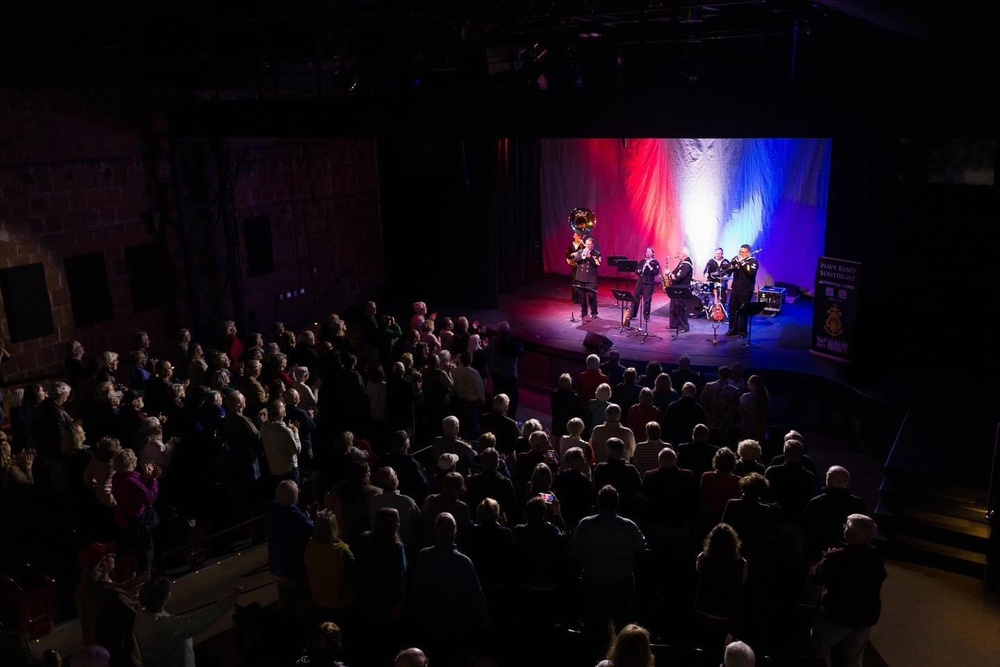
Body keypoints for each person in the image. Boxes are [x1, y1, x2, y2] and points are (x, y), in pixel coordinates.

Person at [810, 514, 887, 667]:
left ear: (851, 534)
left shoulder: (836, 557)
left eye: (846, 526)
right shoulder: (876, 557)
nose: (844, 528)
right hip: (865, 617)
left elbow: (815, 576)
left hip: (837, 616)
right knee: (853, 658)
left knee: (820, 646)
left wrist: (825, 558)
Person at [133, 576, 240, 667]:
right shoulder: (166, 625)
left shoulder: (140, 616)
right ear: (165, 598)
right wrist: (230, 600)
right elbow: (201, 620)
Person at [725, 244, 760, 338]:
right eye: (740, 252)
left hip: (746, 290)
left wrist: (742, 263)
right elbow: (728, 271)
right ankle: (732, 330)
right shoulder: (736, 258)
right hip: (735, 288)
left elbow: (750, 273)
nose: (741, 254)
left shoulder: (753, 261)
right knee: (732, 310)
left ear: (748, 253)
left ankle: (742, 332)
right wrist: (732, 265)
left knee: (743, 311)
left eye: (743, 252)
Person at [664, 246, 694, 332]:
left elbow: (678, 277)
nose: (678, 255)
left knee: (681, 307)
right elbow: (674, 272)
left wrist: (669, 275)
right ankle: (674, 324)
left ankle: (683, 326)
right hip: (676, 288)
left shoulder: (686, 265)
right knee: (674, 306)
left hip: (682, 289)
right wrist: (670, 274)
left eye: (679, 254)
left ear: (683, 254)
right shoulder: (682, 262)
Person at [572, 235, 602, 320]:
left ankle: (594, 313)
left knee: (592, 296)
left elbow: (598, 264)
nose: (588, 246)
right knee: (582, 296)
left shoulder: (596, 253)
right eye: (587, 244)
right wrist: (582, 255)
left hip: (591, 278)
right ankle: (584, 312)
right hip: (581, 277)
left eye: (590, 244)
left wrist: (590, 257)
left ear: (593, 245)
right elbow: (575, 260)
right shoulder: (581, 251)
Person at [632, 247, 661, 327]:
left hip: (648, 283)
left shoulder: (655, 263)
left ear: (652, 253)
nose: (647, 253)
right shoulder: (642, 261)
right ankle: (633, 314)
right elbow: (636, 270)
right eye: (646, 252)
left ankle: (646, 315)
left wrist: (649, 267)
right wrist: (639, 271)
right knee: (636, 297)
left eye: (649, 251)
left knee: (647, 300)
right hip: (640, 282)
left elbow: (656, 272)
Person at [566, 230, 586, 304]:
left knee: (580, 283)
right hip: (574, 266)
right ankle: (574, 299)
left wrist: (583, 243)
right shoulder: (570, 246)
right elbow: (567, 255)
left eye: (579, 236)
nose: (578, 237)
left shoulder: (582, 245)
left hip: (581, 266)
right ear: (574, 236)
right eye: (576, 235)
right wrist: (571, 256)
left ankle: (581, 299)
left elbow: (586, 251)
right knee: (574, 283)